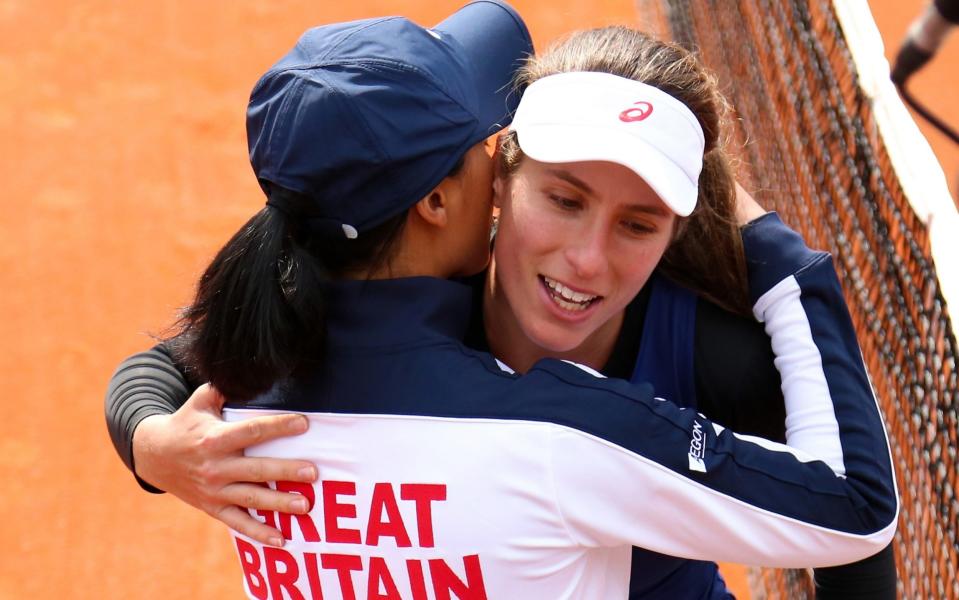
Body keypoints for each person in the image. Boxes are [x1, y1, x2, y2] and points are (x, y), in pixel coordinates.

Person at [105, 6, 897, 599]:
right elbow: (854, 507)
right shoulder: (557, 430)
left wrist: (148, 444)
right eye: (561, 197)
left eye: (637, 221)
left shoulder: (261, 356)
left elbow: (163, 368)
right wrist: (786, 262)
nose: (587, 257)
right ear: (481, 190)